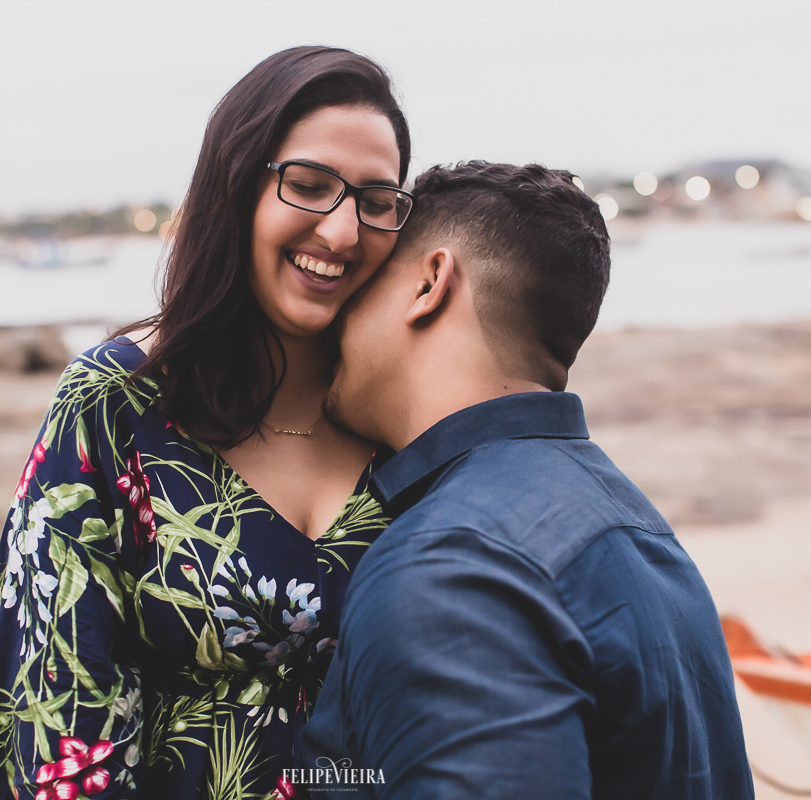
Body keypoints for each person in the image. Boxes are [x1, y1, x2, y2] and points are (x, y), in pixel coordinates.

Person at [0, 46, 416, 800]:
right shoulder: (118, 402)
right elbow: (58, 718)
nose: (342, 233)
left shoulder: (406, 418)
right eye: (308, 186)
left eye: (375, 201)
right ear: (235, 188)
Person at [300, 162, 753, 799]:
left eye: (365, 284)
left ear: (431, 282)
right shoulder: (633, 523)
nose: (335, 317)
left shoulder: (452, 569)